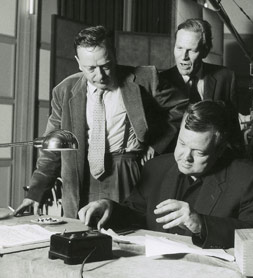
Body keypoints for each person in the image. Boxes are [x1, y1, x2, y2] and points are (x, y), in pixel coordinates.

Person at [14, 25, 180, 218]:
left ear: (114, 55)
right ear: (78, 63)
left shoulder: (145, 78)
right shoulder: (64, 91)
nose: (100, 76)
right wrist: (36, 191)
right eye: (91, 69)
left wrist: (157, 144)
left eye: (106, 65)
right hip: (80, 174)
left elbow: (180, 107)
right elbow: (53, 146)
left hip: (125, 170)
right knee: (80, 236)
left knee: (126, 231)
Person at [78, 100, 253, 249]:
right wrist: (109, 209)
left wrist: (202, 224)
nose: (185, 157)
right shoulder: (155, 168)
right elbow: (137, 215)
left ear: (220, 150)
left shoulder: (248, 178)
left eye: (198, 152)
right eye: (182, 143)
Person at [159, 18, 245, 154]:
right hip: (174, 160)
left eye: (191, 50)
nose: (183, 57)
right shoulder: (161, 81)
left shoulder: (226, 77)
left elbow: (233, 130)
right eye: (179, 48)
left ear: (205, 51)